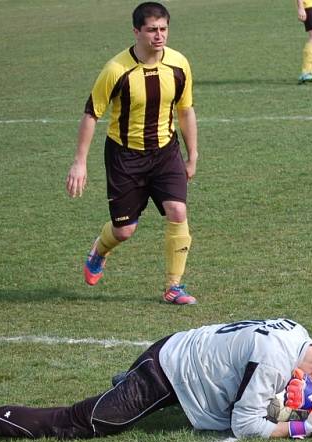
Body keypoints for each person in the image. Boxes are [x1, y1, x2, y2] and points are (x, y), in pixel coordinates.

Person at [0, 319, 312, 442]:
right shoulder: (273, 362)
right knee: (79, 423)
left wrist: (289, 405)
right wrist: (299, 426)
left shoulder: (298, 335)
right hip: (167, 373)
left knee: (120, 403)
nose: (310, 397)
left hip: (177, 348)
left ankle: (127, 383)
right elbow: (244, 424)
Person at [65, 2, 199, 304]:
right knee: (124, 230)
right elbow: (91, 114)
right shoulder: (116, 70)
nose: (159, 35)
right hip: (125, 157)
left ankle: (173, 287)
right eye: (152, 29)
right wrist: (79, 163)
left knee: (178, 211)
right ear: (136, 31)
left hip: (165, 152)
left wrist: (193, 155)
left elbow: (186, 110)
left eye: (163, 29)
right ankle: (99, 250)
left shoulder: (179, 64)